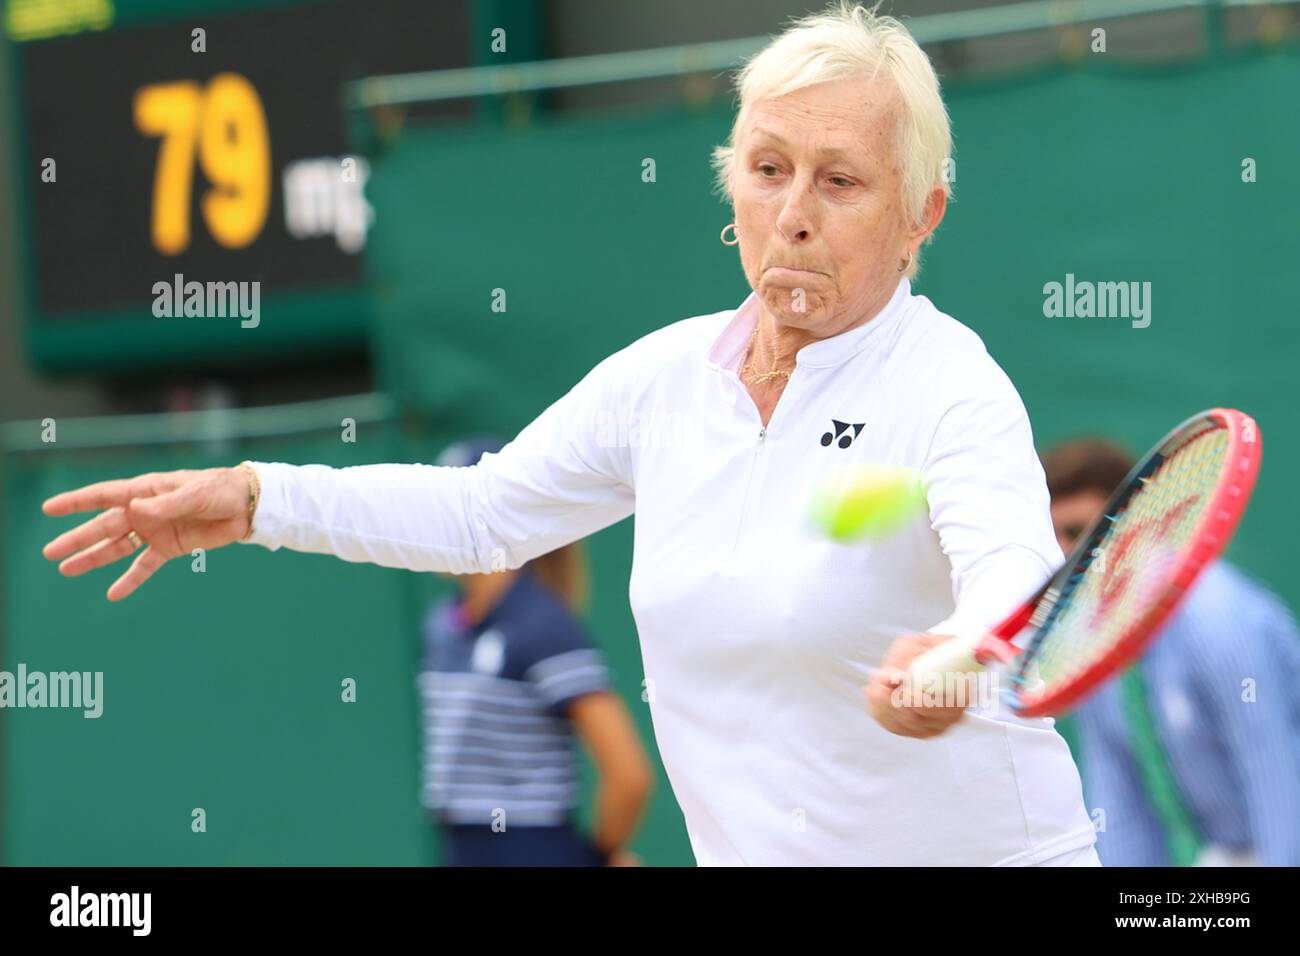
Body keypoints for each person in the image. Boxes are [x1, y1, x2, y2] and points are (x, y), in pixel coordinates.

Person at [41, 3, 1098, 865]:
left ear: (923, 215)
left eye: (840, 179)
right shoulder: (662, 381)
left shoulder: (954, 387)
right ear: (730, 183)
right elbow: (480, 515)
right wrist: (258, 497)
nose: (793, 212)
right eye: (768, 169)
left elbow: (1011, 570)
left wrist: (964, 654)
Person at [1043, 437, 1300, 866]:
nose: (1066, 556)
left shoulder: (1218, 618)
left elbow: (1275, 782)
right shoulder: (1086, 643)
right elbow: (1119, 806)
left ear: (1138, 523)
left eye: (1076, 532)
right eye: (1051, 538)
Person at [420, 436, 652, 866]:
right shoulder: (441, 625)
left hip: (533, 849)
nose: (430, 524)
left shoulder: (544, 627)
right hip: (459, 847)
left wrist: (595, 859)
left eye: (448, 510)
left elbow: (629, 775)